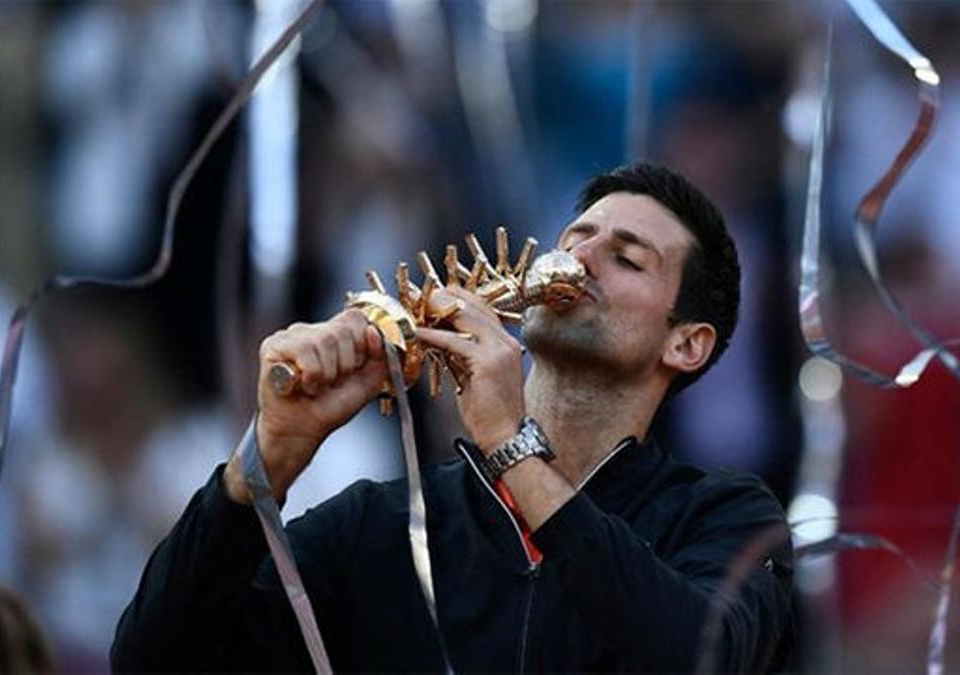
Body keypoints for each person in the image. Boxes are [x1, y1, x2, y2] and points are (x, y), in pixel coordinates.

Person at [111, 163, 795, 671]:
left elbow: (699, 654)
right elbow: (154, 660)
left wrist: (508, 442)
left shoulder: (723, 516)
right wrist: (264, 461)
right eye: (574, 237)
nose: (577, 260)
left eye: (625, 259)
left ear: (687, 343)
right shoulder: (382, 525)